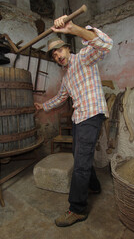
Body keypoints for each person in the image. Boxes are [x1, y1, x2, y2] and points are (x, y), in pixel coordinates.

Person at [34, 15, 113, 227]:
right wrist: (44, 106)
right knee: (81, 157)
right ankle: (94, 186)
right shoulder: (67, 76)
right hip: (79, 118)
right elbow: (61, 97)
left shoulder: (84, 58)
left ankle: (77, 209)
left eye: (59, 50)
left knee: (79, 164)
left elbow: (106, 44)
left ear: (68, 49)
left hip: (92, 113)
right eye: (54, 54)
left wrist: (73, 28)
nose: (57, 55)